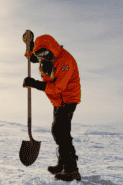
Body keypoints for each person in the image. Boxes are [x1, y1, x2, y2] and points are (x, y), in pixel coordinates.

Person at [22, 33, 81, 182]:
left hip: (67, 99)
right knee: (59, 132)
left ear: (51, 49)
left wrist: (34, 83)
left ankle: (71, 170)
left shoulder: (64, 60)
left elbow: (58, 87)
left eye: (44, 53)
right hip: (58, 101)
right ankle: (63, 163)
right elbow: (32, 57)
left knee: (61, 132)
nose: (41, 57)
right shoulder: (46, 56)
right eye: (39, 53)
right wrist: (29, 45)